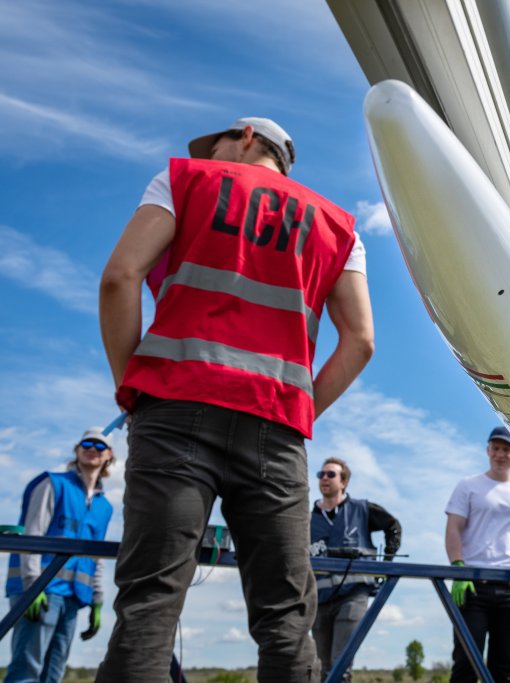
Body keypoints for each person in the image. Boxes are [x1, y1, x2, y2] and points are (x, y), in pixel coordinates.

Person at [96, 117, 374, 683]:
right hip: (275, 428)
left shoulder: (184, 180)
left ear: (246, 136)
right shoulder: (339, 226)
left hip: (173, 411)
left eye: (219, 143)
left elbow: (120, 277)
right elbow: (361, 341)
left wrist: (134, 390)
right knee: (286, 619)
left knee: (150, 603)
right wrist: (297, 409)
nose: (212, 153)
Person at [4, 428, 114, 683]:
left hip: (74, 596)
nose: (92, 449)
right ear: (76, 450)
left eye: (99, 446)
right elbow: (34, 534)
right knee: (26, 671)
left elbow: (96, 556)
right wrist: (33, 585)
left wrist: (97, 599)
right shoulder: (52, 484)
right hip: (42, 590)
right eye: (86, 443)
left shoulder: (104, 507)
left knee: (53, 673)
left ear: (109, 455)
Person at [444, 426, 510, 683]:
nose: (501, 454)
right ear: (488, 450)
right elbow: (453, 529)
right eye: (496, 448)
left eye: (507, 449)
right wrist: (458, 568)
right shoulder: (469, 486)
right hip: (473, 585)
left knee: (502, 668)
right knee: (466, 664)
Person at [309, 457, 401, 681]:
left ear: (344, 481)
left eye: (331, 474)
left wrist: (386, 562)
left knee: (340, 667)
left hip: (353, 595)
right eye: (321, 475)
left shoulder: (362, 510)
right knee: (321, 668)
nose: (325, 479)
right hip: (319, 599)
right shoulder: (307, 519)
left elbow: (393, 526)